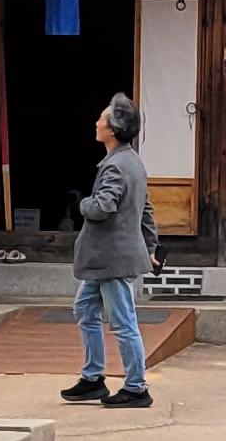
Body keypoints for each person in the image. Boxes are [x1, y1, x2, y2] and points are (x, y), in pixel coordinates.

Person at [62, 92, 156, 407]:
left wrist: (83, 204)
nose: (97, 122)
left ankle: (136, 387)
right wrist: (150, 245)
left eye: (102, 118)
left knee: (124, 322)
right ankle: (92, 378)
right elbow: (146, 209)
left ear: (113, 129)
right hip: (107, 259)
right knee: (85, 310)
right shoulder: (133, 162)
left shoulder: (116, 166)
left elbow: (102, 207)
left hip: (112, 258)